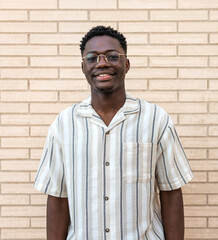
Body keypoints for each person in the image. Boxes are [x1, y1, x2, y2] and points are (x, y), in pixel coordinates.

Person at [33, 25, 193, 240]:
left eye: (112, 56)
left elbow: (171, 192)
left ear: (126, 65)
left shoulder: (156, 119)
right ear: (83, 67)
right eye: (92, 58)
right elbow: (58, 197)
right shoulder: (64, 124)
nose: (102, 63)